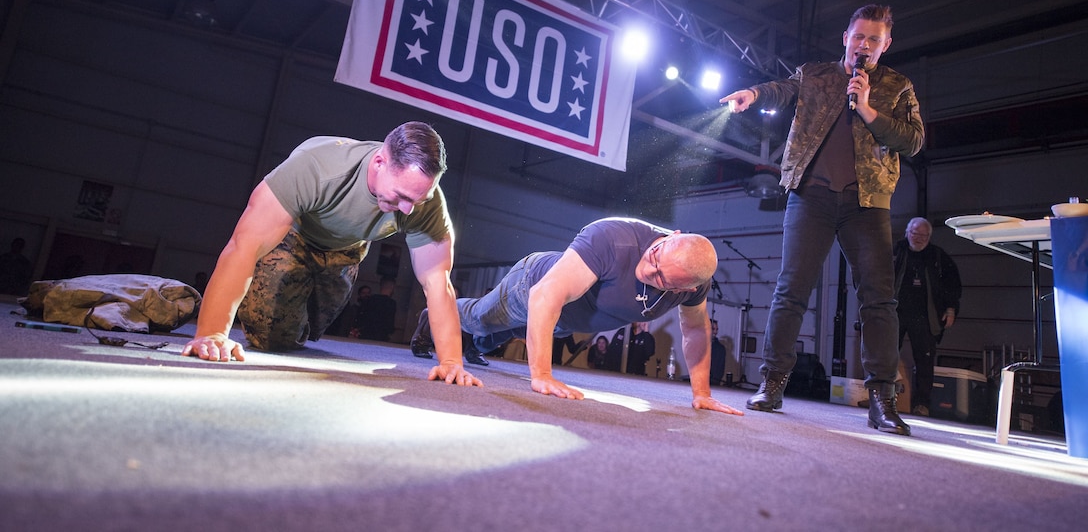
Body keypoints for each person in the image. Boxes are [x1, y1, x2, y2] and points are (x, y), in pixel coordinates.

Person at [719, 4, 924, 435]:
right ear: (845, 38)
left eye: (873, 39)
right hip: (811, 195)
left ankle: (882, 400)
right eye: (858, 36)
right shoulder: (816, 74)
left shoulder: (898, 86)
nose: (863, 45)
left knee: (879, 299)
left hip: (867, 203)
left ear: (886, 45)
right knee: (791, 289)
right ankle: (772, 385)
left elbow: (913, 141)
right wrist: (753, 94)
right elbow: (782, 89)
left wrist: (867, 109)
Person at [181, 122, 481, 388]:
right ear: (379, 162)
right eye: (401, 196)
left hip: (348, 249)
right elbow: (243, 247)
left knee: (313, 326)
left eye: (419, 200)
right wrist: (213, 333)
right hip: (293, 238)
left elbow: (437, 281)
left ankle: (312, 295)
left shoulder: (424, 204)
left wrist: (452, 362)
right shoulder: (316, 168)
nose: (408, 210)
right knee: (273, 338)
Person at [412, 217, 744, 415]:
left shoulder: (694, 287)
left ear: (686, 289)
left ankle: (475, 346)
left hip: (567, 319)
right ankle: (435, 313)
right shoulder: (613, 238)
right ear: (672, 235)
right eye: (654, 256)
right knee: (479, 319)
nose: (647, 269)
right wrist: (541, 374)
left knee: (511, 333)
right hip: (533, 285)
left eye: (660, 279)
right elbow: (545, 297)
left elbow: (696, 332)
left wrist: (702, 394)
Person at [893, 217, 962, 417]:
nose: (919, 238)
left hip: (926, 316)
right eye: (915, 233)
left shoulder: (938, 257)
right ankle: (882, 396)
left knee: (924, 360)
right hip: (895, 312)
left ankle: (922, 404)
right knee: (886, 355)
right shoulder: (895, 252)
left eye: (924, 235)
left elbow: (953, 285)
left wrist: (951, 309)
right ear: (907, 232)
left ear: (930, 237)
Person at [709, 318, 727, 386]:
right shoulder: (699, 345)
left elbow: (720, 369)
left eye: (716, 329)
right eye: (713, 329)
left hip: (714, 384)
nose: (715, 332)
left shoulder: (720, 348)